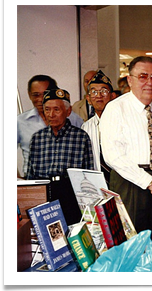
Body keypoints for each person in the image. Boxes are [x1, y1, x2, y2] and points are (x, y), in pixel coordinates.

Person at [99, 56, 152, 272]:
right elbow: (112, 156)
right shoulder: (115, 109)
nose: (149, 82)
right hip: (131, 184)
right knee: (132, 247)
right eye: (142, 76)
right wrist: (149, 182)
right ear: (130, 79)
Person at [26, 88, 94, 224]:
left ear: (68, 112)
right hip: (43, 194)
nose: (51, 114)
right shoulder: (37, 138)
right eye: (47, 110)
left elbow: (89, 174)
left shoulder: (81, 137)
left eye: (56, 109)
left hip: (71, 195)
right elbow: (30, 175)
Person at [17, 75, 83, 178]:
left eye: (44, 94)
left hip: (68, 181)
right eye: (36, 95)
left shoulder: (73, 118)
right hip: (34, 180)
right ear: (29, 95)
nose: (40, 99)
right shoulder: (20, 121)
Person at [81, 70, 116, 183]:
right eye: (94, 92)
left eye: (104, 91)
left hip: (123, 182)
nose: (99, 96)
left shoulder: (124, 123)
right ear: (88, 99)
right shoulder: (86, 128)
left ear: (112, 96)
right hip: (97, 184)